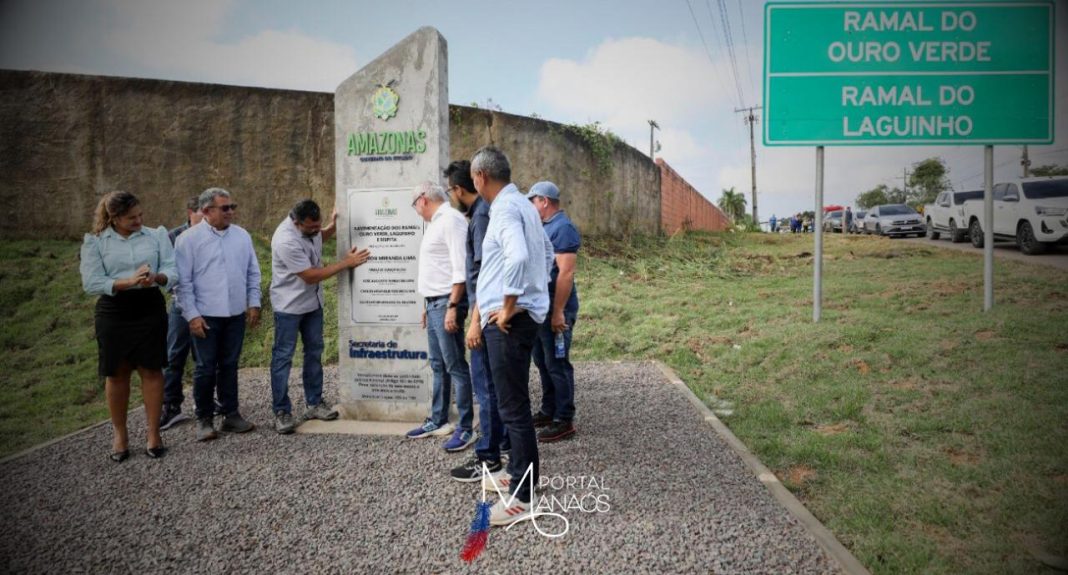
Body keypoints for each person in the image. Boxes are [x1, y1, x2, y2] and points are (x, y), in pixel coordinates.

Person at [465, 146, 554, 526]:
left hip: (507, 323)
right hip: (518, 318)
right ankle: (519, 472)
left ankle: (522, 495)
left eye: (473, 178)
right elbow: (547, 256)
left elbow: (517, 258)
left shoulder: (502, 208)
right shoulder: (525, 207)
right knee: (511, 403)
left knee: (513, 407)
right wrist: (531, 298)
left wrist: (509, 303)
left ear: (481, 176)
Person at [80, 191, 176, 461]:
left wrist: (157, 277)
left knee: (152, 369)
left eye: (140, 215)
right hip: (114, 310)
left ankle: (154, 434)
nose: (139, 220)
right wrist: (128, 281)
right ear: (114, 217)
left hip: (149, 307)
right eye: (131, 217)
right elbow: (92, 282)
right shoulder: (97, 242)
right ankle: (120, 434)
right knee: (117, 372)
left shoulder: (156, 235)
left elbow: (172, 267)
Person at [269, 200, 370, 434]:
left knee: (314, 352)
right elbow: (311, 276)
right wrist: (347, 263)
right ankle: (282, 411)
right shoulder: (286, 240)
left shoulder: (310, 229)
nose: (316, 229)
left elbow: (320, 237)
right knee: (283, 357)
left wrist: (333, 226)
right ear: (296, 222)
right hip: (289, 307)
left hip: (313, 305)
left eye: (318, 224)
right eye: (311, 227)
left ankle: (314, 403)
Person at [175, 187, 261, 442]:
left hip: (235, 313)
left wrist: (253, 302)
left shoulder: (241, 236)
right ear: (206, 211)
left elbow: (252, 271)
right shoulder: (188, 240)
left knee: (230, 365)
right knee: (204, 368)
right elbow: (182, 283)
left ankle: (230, 414)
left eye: (232, 207)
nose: (231, 212)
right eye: (225, 208)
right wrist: (191, 315)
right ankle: (204, 418)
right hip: (206, 315)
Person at [445, 160, 508, 481]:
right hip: (489, 312)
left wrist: (475, 321)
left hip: (485, 317)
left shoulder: (482, 215)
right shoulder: (483, 212)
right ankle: (503, 443)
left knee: (486, 387)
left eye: (451, 189)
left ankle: (489, 456)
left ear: (458, 189)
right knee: (494, 386)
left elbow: (486, 272)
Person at [405, 181, 476, 453]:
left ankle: (466, 427)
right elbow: (438, 268)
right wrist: (428, 303)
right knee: (438, 364)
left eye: (415, 205)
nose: (416, 211)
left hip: (447, 302)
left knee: (455, 365)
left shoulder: (451, 221)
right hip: (435, 303)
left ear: (423, 199)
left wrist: (452, 306)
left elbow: (461, 268)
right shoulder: (437, 222)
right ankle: (438, 419)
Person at [526, 181, 580, 443]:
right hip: (541, 308)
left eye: (532, 200)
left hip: (555, 308)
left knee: (557, 364)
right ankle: (549, 411)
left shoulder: (563, 228)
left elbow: (566, 273)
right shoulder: (546, 227)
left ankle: (564, 419)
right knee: (544, 362)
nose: (530, 206)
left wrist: (558, 312)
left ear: (544, 201)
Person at [159, 196, 203, 431]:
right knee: (173, 355)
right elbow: (166, 272)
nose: (206, 219)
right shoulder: (173, 237)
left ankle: (203, 401)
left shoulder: (212, 235)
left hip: (207, 304)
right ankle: (171, 405)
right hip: (180, 304)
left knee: (204, 357)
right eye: (201, 214)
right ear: (190, 212)